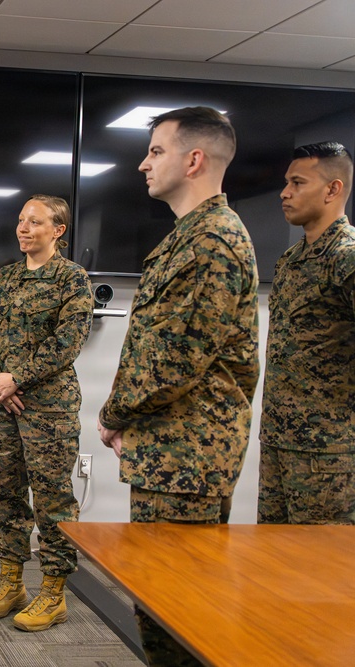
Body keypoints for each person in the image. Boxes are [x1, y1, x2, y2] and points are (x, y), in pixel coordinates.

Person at [96, 107, 259, 666]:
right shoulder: (190, 236)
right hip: (174, 451)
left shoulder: (212, 241)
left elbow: (174, 359)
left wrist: (114, 413)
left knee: (176, 610)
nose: (143, 164)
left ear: (194, 160)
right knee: (165, 605)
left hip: (187, 458)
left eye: (156, 151)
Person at [0, 195, 92, 632]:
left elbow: (68, 341)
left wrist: (17, 378)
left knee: (52, 498)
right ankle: (11, 583)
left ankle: (53, 593)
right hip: (1, 406)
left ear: (58, 230)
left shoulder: (72, 278)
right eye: (21, 220)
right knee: (4, 493)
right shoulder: (3, 278)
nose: (23, 228)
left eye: (35, 222)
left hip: (49, 408)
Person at [259, 142, 355, 525]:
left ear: (333, 189)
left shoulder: (347, 257)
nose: (285, 193)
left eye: (297, 183)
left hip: (329, 455)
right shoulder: (291, 260)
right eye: (287, 182)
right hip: (279, 444)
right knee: (272, 555)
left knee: (320, 561)